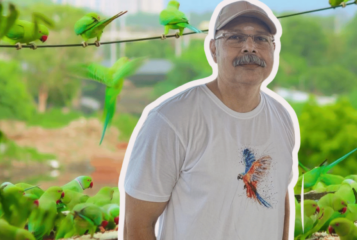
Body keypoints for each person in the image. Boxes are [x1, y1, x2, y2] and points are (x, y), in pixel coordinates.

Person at [122, 0, 299, 239]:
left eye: (261, 39)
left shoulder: (281, 116)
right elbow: (137, 226)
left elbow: (280, 198)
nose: (250, 47)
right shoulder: (170, 120)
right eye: (235, 37)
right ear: (214, 49)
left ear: (273, 50)